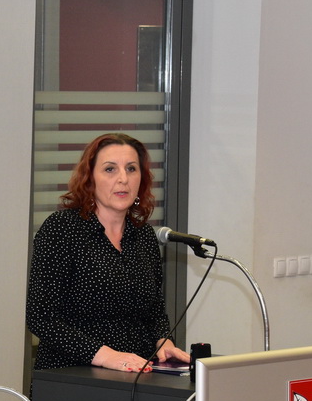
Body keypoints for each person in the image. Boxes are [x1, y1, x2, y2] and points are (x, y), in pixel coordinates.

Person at [26, 132, 190, 374]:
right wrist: (104, 355)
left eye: (131, 169)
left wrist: (163, 341)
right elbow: (41, 317)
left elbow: (154, 310)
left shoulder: (143, 235)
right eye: (110, 169)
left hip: (138, 375)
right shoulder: (62, 228)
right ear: (90, 178)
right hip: (72, 374)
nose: (123, 179)